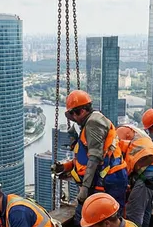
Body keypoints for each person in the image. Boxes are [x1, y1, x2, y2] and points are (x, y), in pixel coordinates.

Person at [53, 90, 128, 218]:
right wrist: (65, 167)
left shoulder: (93, 123)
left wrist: (85, 188)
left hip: (108, 180)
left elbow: (94, 158)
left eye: (73, 114)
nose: (74, 119)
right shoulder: (89, 124)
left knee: (105, 218)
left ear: (81, 111)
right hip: (105, 179)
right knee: (96, 218)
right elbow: (84, 159)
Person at [116, 125, 153, 227]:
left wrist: (136, 168)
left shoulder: (137, 143)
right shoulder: (141, 140)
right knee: (145, 210)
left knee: (133, 212)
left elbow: (150, 157)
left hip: (148, 177)